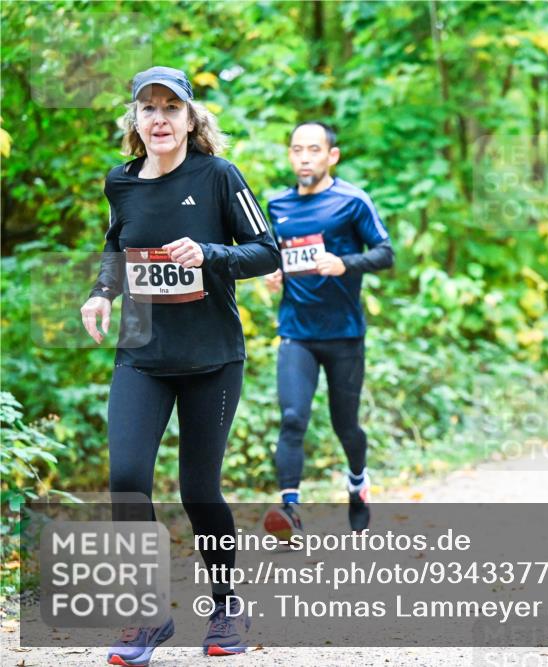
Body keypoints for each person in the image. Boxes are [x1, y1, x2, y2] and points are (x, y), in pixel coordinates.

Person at [79, 66, 280, 664]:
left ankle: (224, 606)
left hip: (212, 358)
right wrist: (99, 292)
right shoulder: (121, 182)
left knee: (199, 489)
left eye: (172, 107)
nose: (160, 118)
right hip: (142, 355)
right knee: (127, 480)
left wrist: (211, 253)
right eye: (149, 109)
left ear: (192, 118)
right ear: (134, 121)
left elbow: (267, 250)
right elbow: (116, 249)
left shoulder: (218, 176)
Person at [261, 121, 393, 538]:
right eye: (297, 149)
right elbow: (274, 255)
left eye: (313, 150)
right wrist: (273, 274)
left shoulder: (353, 202)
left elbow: (385, 253)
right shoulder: (278, 205)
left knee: (345, 425)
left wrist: (344, 263)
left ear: (331, 156)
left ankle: (357, 482)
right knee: (293, 417)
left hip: (344, 335)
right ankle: (290, 510)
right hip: (296, 332)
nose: (304, 157)